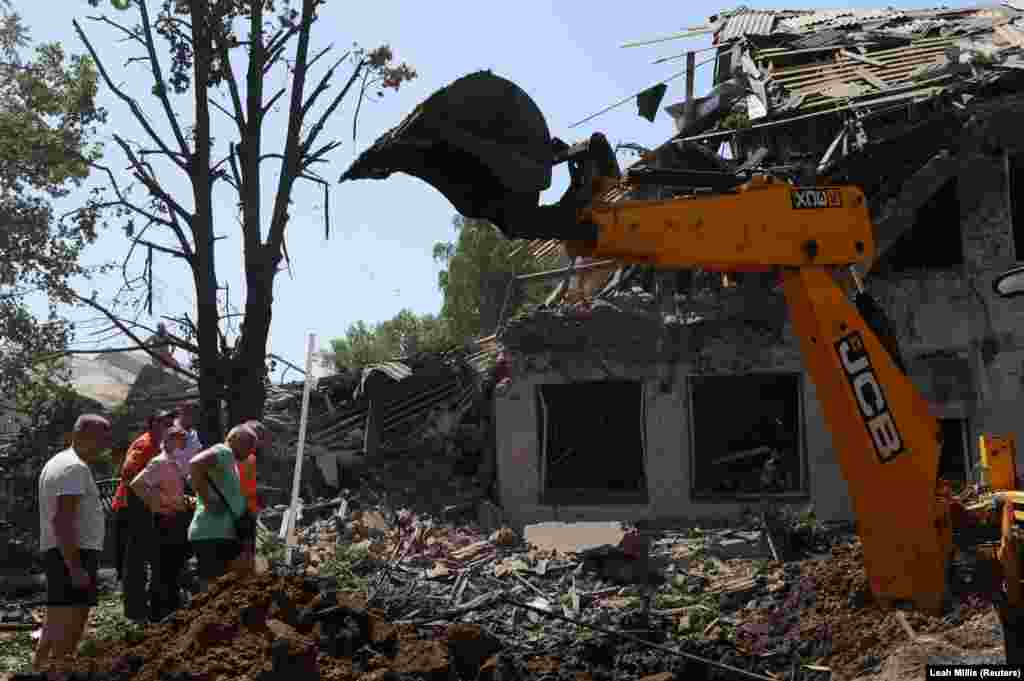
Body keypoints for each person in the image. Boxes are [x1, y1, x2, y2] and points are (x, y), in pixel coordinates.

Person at [34, 414, 112, 671]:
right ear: (85, 435)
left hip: (62, 552)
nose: (106, 445)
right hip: (73, 553)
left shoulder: (57, 463)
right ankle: (59, 672)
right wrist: (75, 566)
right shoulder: (73, 468)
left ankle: (39, 670)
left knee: (55, 621)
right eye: (103, 438)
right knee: (70, 628)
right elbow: (63, 520)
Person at [112, 409, 174, 622]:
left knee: (148, 554)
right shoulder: (145, 444)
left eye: (170, 422)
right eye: (163, 422)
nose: (168, 426)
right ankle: (134, 611)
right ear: (152, 425)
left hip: (146, 504)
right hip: (133, 504)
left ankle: (147, 605)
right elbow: (128, 474)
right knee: (136, 559)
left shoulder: (160, 445)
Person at [129, 425, 196, 621]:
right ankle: (159, 615)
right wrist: (159, 504)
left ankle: (171, 612)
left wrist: (185, 500)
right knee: (163, 570)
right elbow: (137, 485)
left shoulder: (173, 462)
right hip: (165, 522)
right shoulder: (159, 462)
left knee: (174, 569)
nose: (183, 443)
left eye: (184, 439)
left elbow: (171, 491)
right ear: (169, 440)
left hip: (177, 520)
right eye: (180, 439)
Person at [189, 424, 257, 590]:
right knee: (212, 590)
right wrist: (208, 499)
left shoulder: (229, 460)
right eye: (248, 445)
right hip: (212, 533)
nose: (250, 451)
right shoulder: (223, 451)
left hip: (221, 533)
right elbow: (195, 464)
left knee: (226, 588)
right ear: (234, 440)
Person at [171, 400, 203, 484]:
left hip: (191, 481)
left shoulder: (193, 432)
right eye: (191, 414)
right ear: (182, 413)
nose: (194, 418)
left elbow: (197, 452)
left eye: (196, 415)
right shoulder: (171, 431)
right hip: (175, 481)